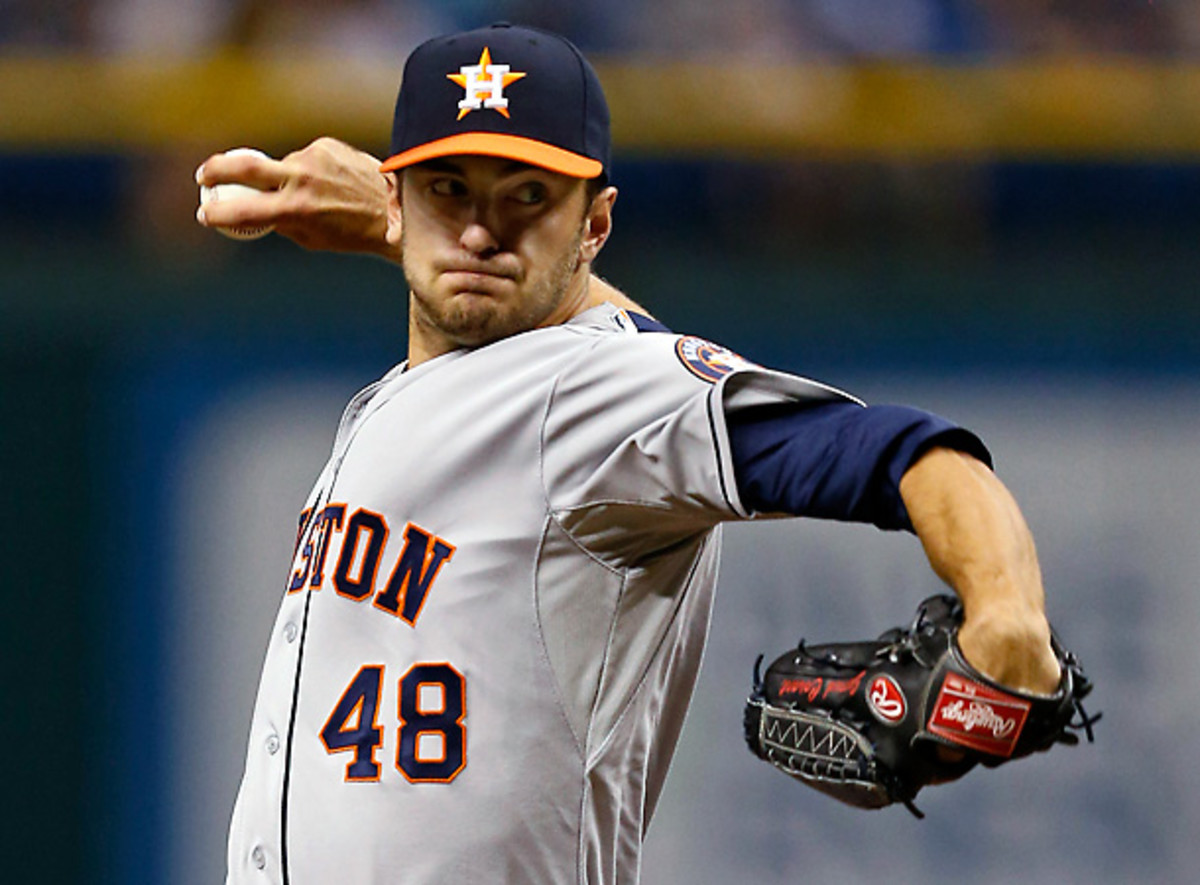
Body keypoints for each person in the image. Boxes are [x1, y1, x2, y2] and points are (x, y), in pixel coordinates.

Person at [196, 22, 1061, 885]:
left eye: (527, 196)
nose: (478, 233)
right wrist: (399, 237)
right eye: (447, 190)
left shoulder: (598, 392)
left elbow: (899, 452)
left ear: (596, 224)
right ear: (395, 198)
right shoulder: (412, 394)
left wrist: (1009, 608)